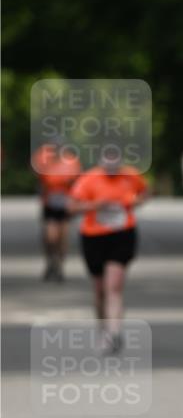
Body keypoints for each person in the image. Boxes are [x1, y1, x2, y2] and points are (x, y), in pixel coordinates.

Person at [68, 148, 149, 353]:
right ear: (101, 162)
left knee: (114, 286)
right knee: (100, 290)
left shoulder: (130, 176)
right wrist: (96, 205)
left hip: (122, 234)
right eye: (108, 163)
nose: (112, 167)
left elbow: (145, 192)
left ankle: (114, 333)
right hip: (94, 237)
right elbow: (72, 208)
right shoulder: (88, 179)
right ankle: (103, 329)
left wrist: (133, 203)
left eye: (116, 163)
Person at [33, 140, 82, 282]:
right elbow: (37, 175)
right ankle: (50, 260)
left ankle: (60, 265)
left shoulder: (71, 162)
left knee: (63, 237)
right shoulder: (43, 158)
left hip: (65, 204)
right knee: (50, 237)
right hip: (50, 203)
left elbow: (77, 182)